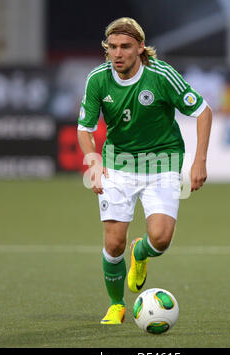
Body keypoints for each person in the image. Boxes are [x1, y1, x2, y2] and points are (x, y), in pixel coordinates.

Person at [77, 17, 212, 324]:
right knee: (113, 243)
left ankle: (141, 253)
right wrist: (92, 159)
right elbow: (84, 128)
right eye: (112, 47)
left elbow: (203, 110)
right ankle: (116, 305)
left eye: (125, 46)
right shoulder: (98, 79)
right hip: (118, 165)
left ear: (140, 47)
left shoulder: (161, 74)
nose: (118, 53)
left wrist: (199, 160)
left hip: (161, 163)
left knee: (161, 239)